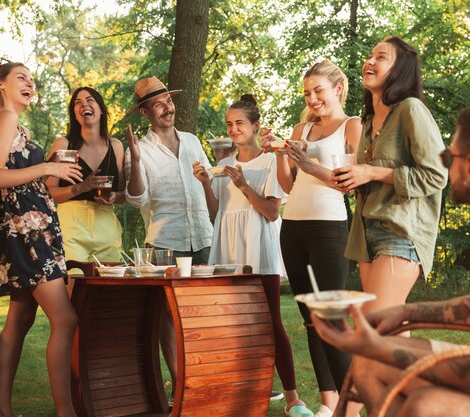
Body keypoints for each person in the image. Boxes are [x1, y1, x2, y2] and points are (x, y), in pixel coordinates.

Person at [313, 101, 470, 417]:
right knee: (370, 365)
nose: (445, 167)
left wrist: (375, 344)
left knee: (427, 406)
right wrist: (404, 313)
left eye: (448, 158)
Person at [0, 62, 82, 417]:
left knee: (19, 322)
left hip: (31, 228)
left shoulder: (13, 122)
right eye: (22, 77)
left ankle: (0, 410)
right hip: (27, 232)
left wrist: (52, 169)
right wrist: (48, 167)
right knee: (65, 320)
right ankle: (67, 413)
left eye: (32, 79)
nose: (29, 83)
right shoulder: (3, 119)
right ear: (0, 84)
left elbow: (15, 173)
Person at [193, 95, 314, 417]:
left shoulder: (270, 161)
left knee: (271, 322)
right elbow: (217, 212)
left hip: (258, 246)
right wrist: (207, 184)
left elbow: (272, 212)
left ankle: (293, 398)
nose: (233, 129)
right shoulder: (224, 166)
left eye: (240, 124)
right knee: (232, 324)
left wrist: (245, 186)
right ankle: (241, 392)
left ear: (255, 126)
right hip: (227, 247)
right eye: (229, 124)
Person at [261, 59, 362, 417]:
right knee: (309, 319)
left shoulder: (352, 126)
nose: (313, 98)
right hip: (294, 226)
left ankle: (353, 402)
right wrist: (279, 155)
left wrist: (306, 163)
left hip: (329, 226)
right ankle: (330, 403)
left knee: (330, 317)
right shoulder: (300, 128)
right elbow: (288, 185)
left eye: (319, 90)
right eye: (307, 92)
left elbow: (348, 182)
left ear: (337, 88)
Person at [333, 36, 447, 315]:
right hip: (365, 233)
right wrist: (353, 180)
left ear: (400, 70)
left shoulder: (411, 109)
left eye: (381, 57)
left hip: (401, 230)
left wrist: (371, 171)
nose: (369, 61)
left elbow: (437, 175)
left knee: (376, 323)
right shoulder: (368, 121)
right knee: (384, 329)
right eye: (369, 56)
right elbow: (370, 177)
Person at [124, 76, 213, 404]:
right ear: (145, 112)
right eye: (158, 104)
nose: (168, 108)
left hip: (203, 238)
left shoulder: (192, 141)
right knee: (167, 318)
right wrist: (134, 161)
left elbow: (208, 185)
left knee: (203, 313)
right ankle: (180, 384)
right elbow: (137, 199)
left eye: (169, 101)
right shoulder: (140, 150)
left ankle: (203, 378)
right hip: (165, 244)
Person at [46, 87, 125, 295]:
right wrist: (80, 188)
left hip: (107, 227)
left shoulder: (115, 146)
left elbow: (127, 194)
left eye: (89, 100)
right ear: (74, 113)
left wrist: (116, 196)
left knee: (109, 296)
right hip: (71, 227)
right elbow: (48, 192)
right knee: (75, 295)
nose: (83, 105)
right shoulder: (65, 145)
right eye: (77, 103)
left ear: (101, 110)